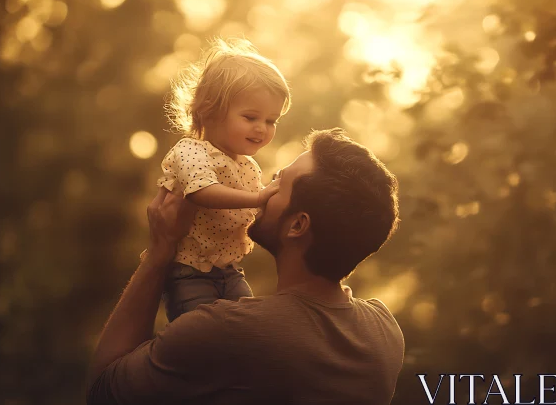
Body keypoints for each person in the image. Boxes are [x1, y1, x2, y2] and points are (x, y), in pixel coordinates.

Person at [88, 128, 404, 405]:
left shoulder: (227, 329)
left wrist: (160, 252)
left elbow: (103, 390)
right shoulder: (384, 332)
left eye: (279, 182)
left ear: (297, 225)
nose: (264, 186)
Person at [156, 38, 291, 321]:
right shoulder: (191, 151)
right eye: (251, 117)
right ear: (209, 111)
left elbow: (253, 210)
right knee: (199, 332)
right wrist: (259, 197)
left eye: (271, 121)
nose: (262, 128)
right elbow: (202, 191)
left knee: (248, 327)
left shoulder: (247, 165)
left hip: (230, 270)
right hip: (189, 272)